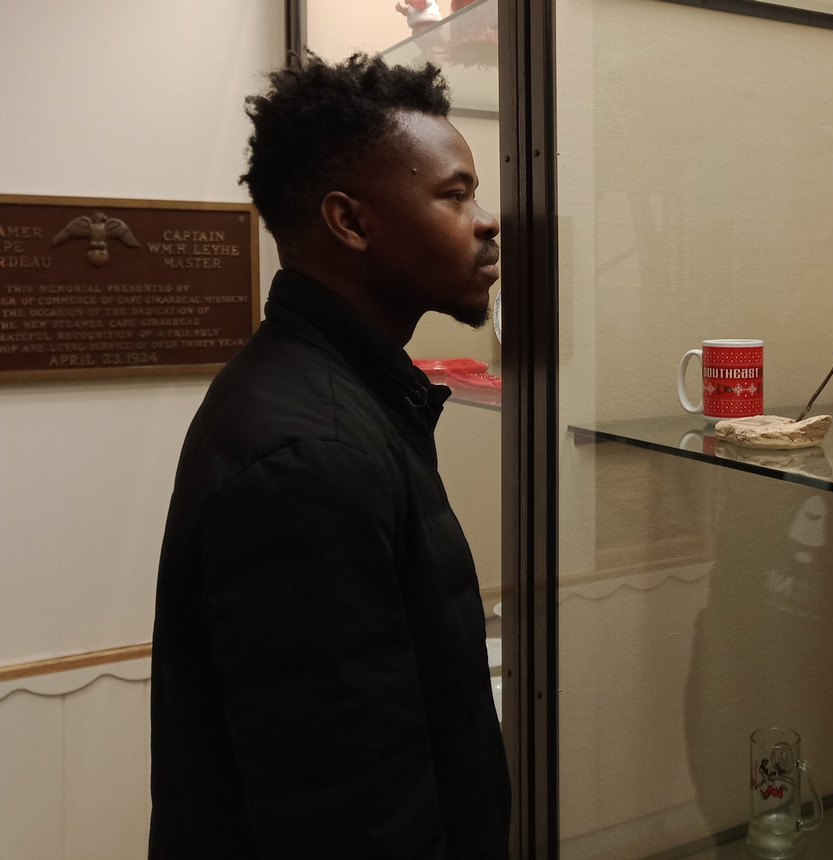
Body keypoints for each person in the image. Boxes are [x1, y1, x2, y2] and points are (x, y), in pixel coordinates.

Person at [149, 52, 509, 859]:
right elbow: (351, 813)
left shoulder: (332, 398)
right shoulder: (312, 452)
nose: (487, 221)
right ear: (350, 222)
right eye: (454, 195)